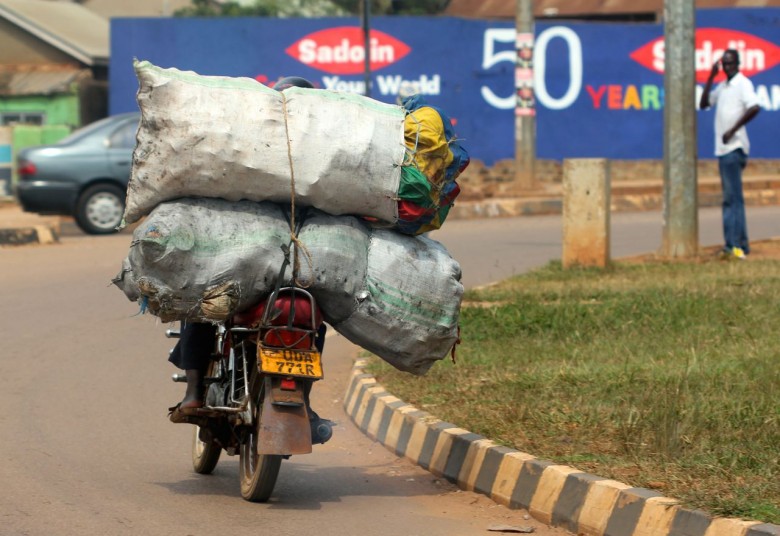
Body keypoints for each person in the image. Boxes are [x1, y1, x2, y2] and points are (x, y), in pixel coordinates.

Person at [168, 75, 332, 443]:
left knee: (202, 301)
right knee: (314, 319)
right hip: (300, 270)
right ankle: (304, 399)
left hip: (247, 266)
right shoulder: (325, 156)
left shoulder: (250, 145)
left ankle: (193, 393)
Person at [699, 49, 761, 260]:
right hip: (723, 149)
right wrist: (710, 77)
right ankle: (741, 244)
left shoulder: (742, 83)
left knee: (731, 199)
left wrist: (732, 130)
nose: (728, 67)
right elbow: (704, 104)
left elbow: (754, 107)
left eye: (731, 63)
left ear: (738, 63)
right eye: (724, 64)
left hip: (733, 148)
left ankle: (733, 246)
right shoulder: (723, 86)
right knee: (735, 199)